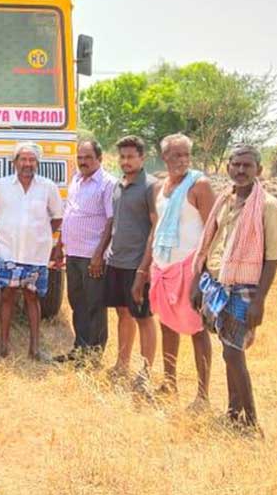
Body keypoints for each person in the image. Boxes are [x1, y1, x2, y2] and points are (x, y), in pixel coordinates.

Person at [191, 145, 277, 431]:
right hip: (217, 284)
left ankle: (251, 422)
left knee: (234, 352)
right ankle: (233, 412)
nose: (241, 170)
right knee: (227, 349)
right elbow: (210, 241)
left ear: (259, 170)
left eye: (247, 165)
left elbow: (272, 258)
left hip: (245, 288)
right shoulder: (225, 200)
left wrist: (259, 301)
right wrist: (199, 280)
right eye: (236, 165)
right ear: (228, 167)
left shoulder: (268, 205)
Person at [136, 134, 215, 406]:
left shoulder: (200, 185)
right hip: (163, 268)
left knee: (197, 330)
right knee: (168, 326)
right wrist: (142, 271)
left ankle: (202, 396)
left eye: (185, 155)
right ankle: (170, 384)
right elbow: (155, 232)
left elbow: (212, 231)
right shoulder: (159, 188)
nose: (181, 160)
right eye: (175, 155)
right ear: (164, 157)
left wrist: (204, 274)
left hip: (189, 270)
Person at [0, 142, 63, 360]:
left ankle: (34, 349)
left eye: (31, 160)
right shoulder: (1, 186)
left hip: (36, 254)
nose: (27, 164)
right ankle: (3, 346)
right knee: (7, 296)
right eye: (23, 160)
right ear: (14, 162)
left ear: (37, 163)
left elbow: (58, 217)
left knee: (32, 297)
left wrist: (42, 234)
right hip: (9, 252)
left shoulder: (47, 187)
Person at [93, 136, 158, 391]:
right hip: (117, 260)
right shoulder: (119, 185)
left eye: (131, 157)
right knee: (122, 312)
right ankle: (122, 364)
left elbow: (156, 227)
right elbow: (113, 224)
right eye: (122, 157)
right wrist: (101, 252)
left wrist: (145, 268)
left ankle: (146, 372)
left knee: (143, 317)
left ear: (142, 158)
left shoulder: (150, 187)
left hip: (137, 264)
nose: (126, 161)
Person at [54, 139, 116, 363]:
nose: (83, 162)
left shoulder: (108, 184)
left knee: (95, 305)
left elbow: (111, 221)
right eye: (80, 158)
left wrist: (99, 255)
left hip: (93, 257)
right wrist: (60, 245)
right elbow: (69, 214)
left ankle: (94, 356)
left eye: (88, 158)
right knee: (77, 302)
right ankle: (79, 349)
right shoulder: (76, 180)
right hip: (73, 254)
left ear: (99, 159)